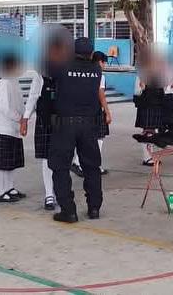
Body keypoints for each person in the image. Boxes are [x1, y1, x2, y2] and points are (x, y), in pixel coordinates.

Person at [48, 37, 104, 223]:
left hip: (65, 124)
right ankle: (94, 208)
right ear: (91, 53)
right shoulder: (96, 70)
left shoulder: (61, 66)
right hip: (89, 124)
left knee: (60, 167)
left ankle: (68, 211)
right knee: (92, 167)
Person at [21, 36, 69, 211]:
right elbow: (33, 96)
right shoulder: (40, 74)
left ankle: (61, 193)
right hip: (45, 121)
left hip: (64, 120)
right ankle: (49, 195)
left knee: (63, 158)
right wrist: (25, 118)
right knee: (47, 158)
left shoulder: (67, 70)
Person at [0, 55, 27, 203]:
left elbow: (19, 103)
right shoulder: (3, 82)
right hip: (3, 128)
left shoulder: (13, 81)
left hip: (14, 128)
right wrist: (20, 119)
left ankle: (9, 188)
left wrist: (24, 118)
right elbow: (4, 107)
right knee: (1, 163)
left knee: (10, 162)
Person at [92, 51, 112, 174]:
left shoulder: (85, 72)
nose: (104, 65)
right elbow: (101, 95)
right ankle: (96, 165)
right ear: (100, 62)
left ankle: (78, 162)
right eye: (104, 63)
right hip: (96, 109)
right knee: (99, 138)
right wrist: (107, 112)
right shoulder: (100, 75)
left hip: (84, 110)